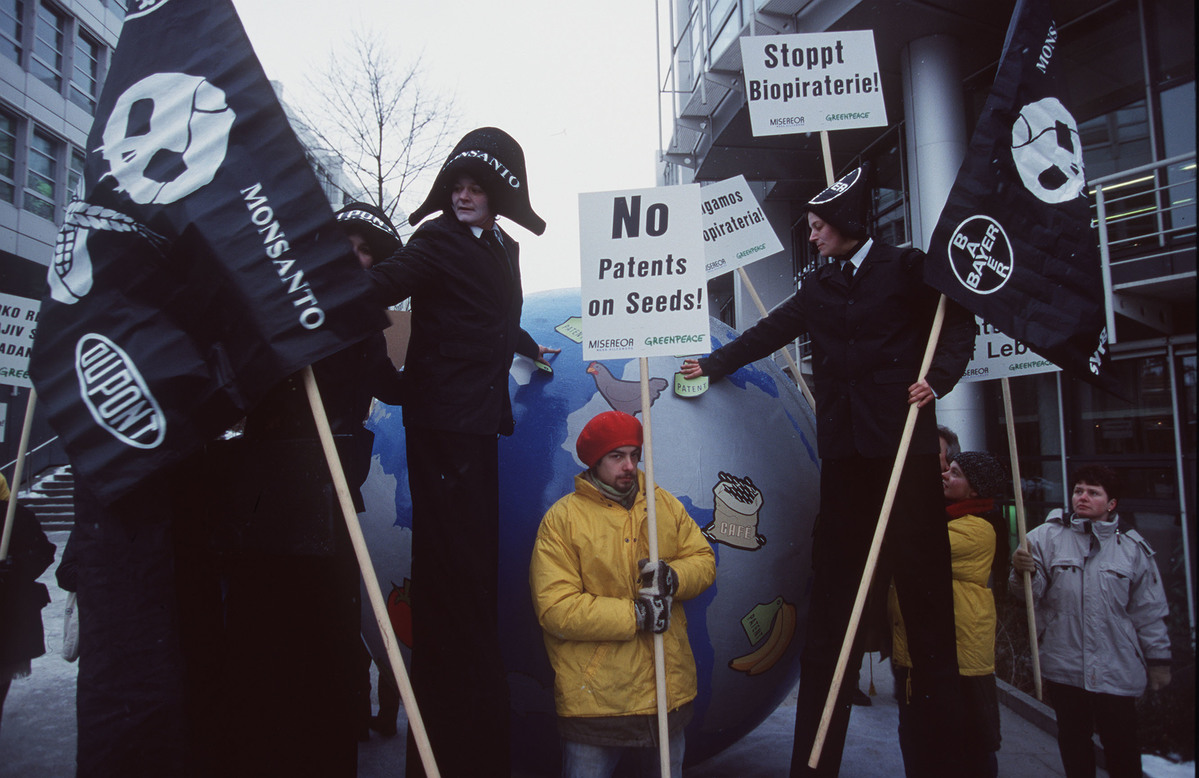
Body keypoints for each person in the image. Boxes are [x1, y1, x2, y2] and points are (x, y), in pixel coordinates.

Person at [680, 163, 975, 776]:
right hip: (845, 463)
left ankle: (946, 761)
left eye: (817, 226)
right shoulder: (817, 286)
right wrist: (709, 365)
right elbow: (767, 332)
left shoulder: (908, 267)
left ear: (843, 224)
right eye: (809, 226)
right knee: (832, 617)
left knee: (927, 614)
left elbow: (958, 323)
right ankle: (814, 764)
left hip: (904, 460)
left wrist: (937, 379)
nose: (810, 236)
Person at [367, 127, 559, 778]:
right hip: (440, 424)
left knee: (471, 573)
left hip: (477, 424)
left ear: (500, 194)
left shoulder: (501, 245)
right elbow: (383, 286)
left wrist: (530, 348)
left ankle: (474, 730)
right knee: (451, 577)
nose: (465, 196)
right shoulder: (436, 239)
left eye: (477, 187)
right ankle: (450, 736)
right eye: (457, 187)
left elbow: (496, 317)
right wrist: (327, 299)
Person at [529, 411, 716, 778]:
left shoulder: (663, 505)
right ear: (595, 460)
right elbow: (555, 608)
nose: (629, 465)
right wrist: (637, 615)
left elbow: (703, 560)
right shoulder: (563, 520)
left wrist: (673, 577)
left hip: (666, 693)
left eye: (635, 454)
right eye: (617, 456)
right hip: (597, 702)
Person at [1010, 465, 1171, 778]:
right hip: (1065, 662)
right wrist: (1021, 572)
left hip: (1116, 667)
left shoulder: (1132, 548)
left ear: (1111, 504)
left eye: (1092, 492)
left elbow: (1149, 610)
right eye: (1078, 490)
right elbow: (1029, 596)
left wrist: (1159, 660)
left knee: (1122, 747)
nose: (1081, 497)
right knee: (1074, 744)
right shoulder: (1045, 537)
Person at [890, 451, 1008, 778]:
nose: (944, 475)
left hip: (961, 655)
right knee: (923, 738)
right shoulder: (947, 518)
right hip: (930, 650)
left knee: (971, 742)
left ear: (975, 490)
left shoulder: (976, 529)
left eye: (954, 473)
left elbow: (916, 548)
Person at [0, 474, 57, 736]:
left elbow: (44, 552)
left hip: (8, 612)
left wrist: (15, 567)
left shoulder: (17, 517)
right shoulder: (18, 514)